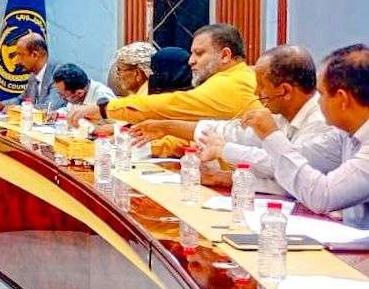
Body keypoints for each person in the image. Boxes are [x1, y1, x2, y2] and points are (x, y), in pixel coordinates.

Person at [135, 45, 328, 189]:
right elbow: (232, 132)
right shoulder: (282, 114)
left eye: (261, 86)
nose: (255, 92)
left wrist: (225, 154)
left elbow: (290, 170)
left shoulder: (321, 122)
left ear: (285, 91)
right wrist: (166, 127)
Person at [240, 44, 369, 229]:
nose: (318, 101)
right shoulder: (344, 134)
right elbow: (300, 156)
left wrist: (272, 135)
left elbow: (322, 196)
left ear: (342, 99)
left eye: (321, 94)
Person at [68, 24, 258, 128]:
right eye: (192, 53)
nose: (191, 61)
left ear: (225, 55)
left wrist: (104, 109)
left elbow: (173, 104)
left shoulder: (231, 83)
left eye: (199, 53)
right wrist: (162, 132)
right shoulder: (231, 79)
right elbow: (201, 130)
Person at [0, 32, 64, 110]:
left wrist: (18, 109)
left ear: (34, 55)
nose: (17, 61)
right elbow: (21, 100)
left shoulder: (59, 74)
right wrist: (2, 104)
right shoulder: (33, 75)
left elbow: (49, 108)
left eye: (20, 55)